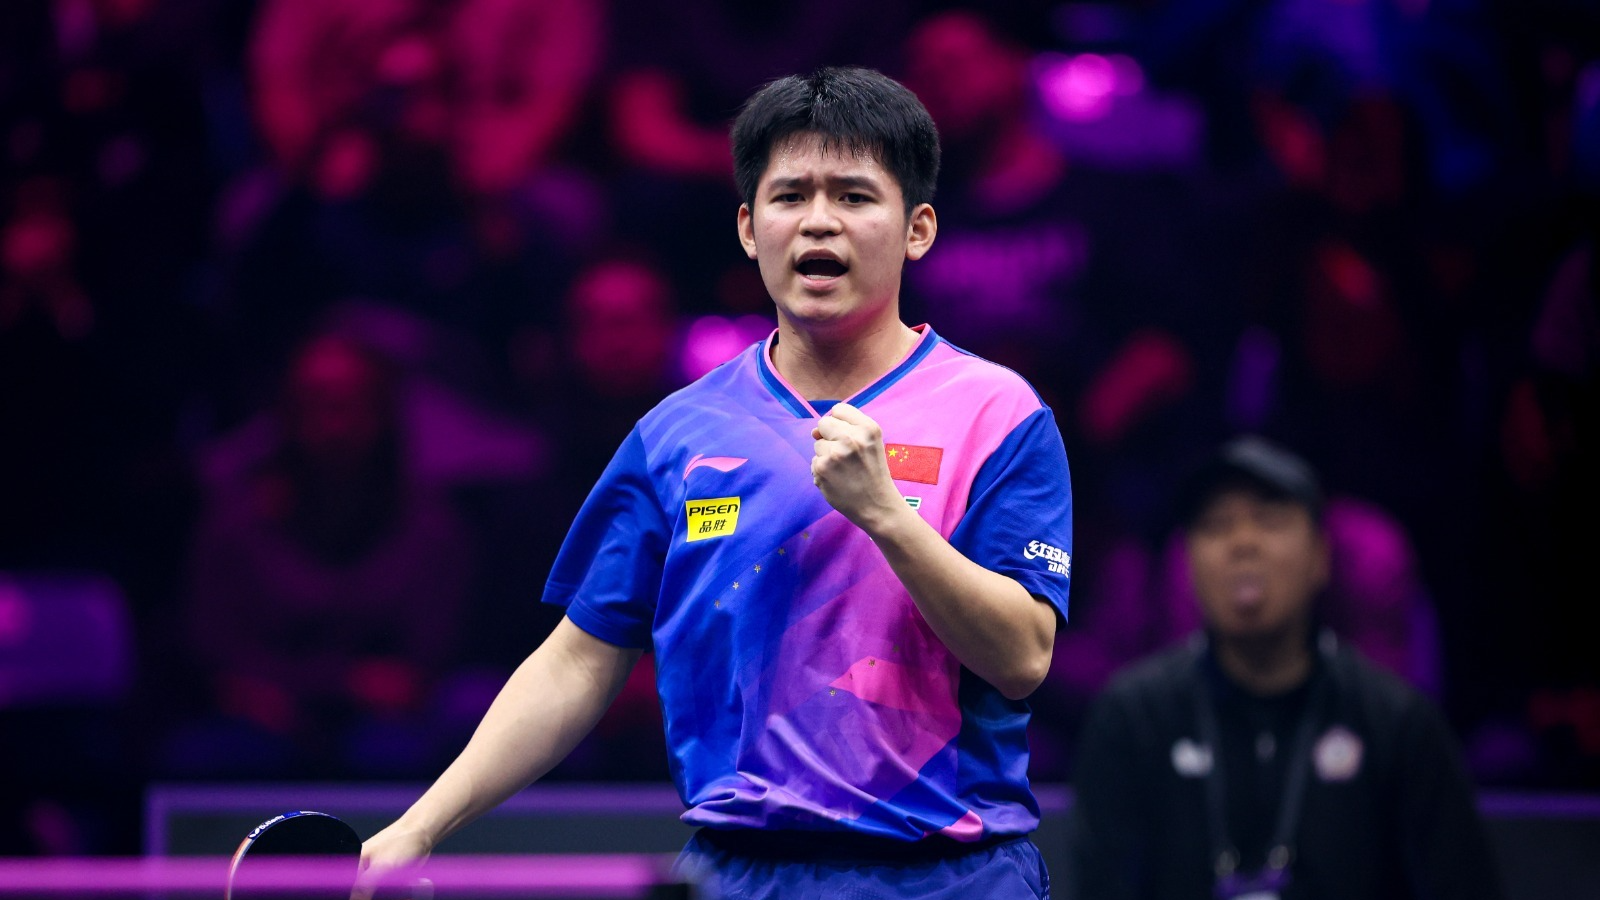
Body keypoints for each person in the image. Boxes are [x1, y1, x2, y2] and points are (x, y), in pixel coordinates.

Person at [356, 67, 1074, 899]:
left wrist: (888, 517)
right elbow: (578, 662)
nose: (818, 222)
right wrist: (421, 824)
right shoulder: (678, 435)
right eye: (790, 195)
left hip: (951, 876)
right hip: (737, 874)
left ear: (917, 229)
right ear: (747, 226)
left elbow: (1022, 656)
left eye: (853, 196)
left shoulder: (997, 413)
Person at [1063, 435, 1503, 900]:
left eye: (1270, 520)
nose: (1243, 544)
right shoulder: (1133, 718)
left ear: (1321, 557)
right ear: (1189, 563)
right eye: (1215, 525)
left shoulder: (1395, 723)